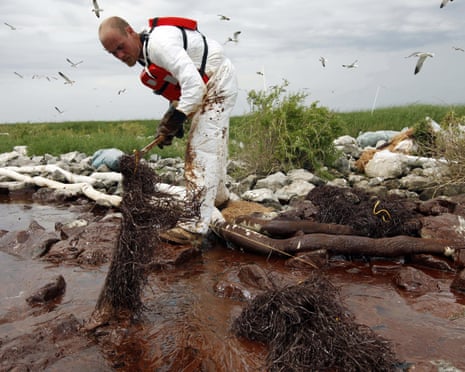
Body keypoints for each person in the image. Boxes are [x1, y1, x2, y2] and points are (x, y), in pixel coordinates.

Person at [98, 15, 238, 244]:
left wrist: (178, 118)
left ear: (130, 31)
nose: (120, 56)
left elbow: (194, 85)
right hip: (208, 82)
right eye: (113, 53)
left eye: (121, 47)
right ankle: (219, 198)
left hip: (217, 80)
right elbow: (181, 85)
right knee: (213, 144)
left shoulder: (159, 45)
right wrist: (172, 117)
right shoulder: (146, 55)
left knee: (201, 150)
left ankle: (193, 228)